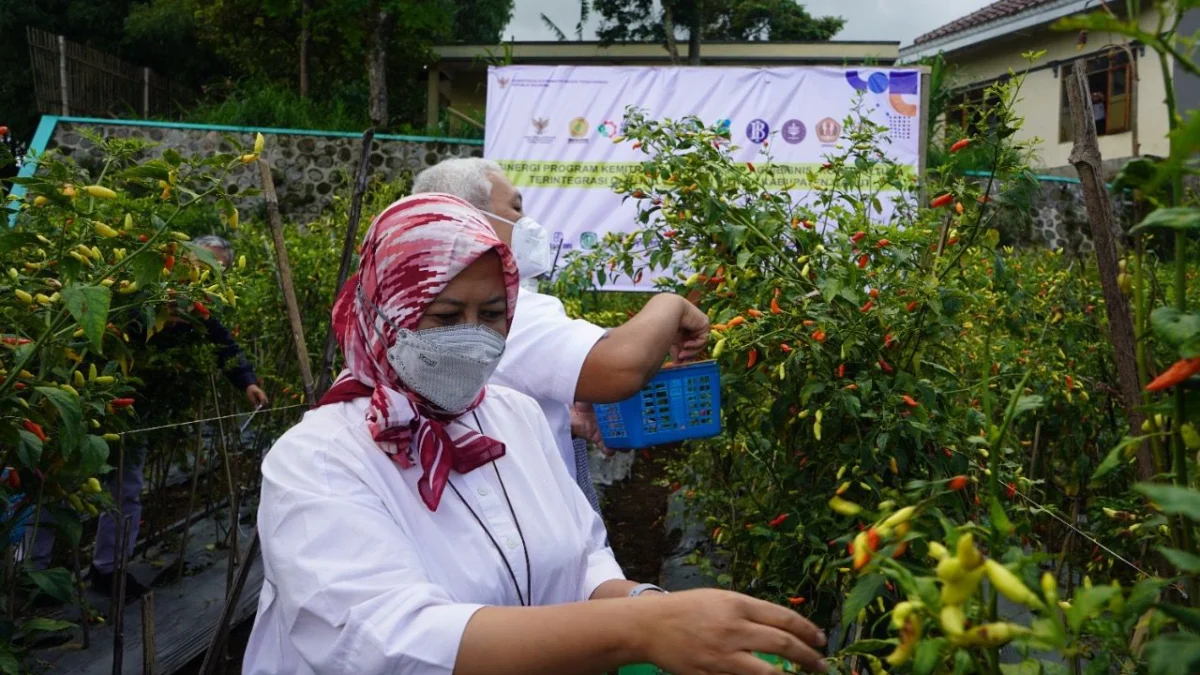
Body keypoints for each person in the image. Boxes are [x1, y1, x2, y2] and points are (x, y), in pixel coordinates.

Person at [242, 193, 828, 675]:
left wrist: (648, 605)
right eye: (446, 317)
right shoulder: (319, 458)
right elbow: (385, 642)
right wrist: (638, 629)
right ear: (384, 310)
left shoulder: (512, 417)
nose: (474, 338)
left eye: (493, 314)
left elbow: (581, 560)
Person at [412, 159, 710, 512]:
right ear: (469, 219)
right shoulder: (501, 312)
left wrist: (562, 420)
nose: (527, 223)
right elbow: (621, 368)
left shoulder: (429, 305)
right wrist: (671, 305)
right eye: (516, 208)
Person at [29, 234, 268, 598]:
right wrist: (151, 316)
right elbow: (106, 322)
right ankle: (33, 572)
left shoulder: (197, 306)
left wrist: (246, 381)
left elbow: (223, 344)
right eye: (204, 264)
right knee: (57, 481)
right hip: (84, 397)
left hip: (135, 407)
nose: (207, 274)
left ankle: (108, 569)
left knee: (125, 487)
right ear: (187, 258)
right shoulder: (145, 284)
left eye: (218, 271)